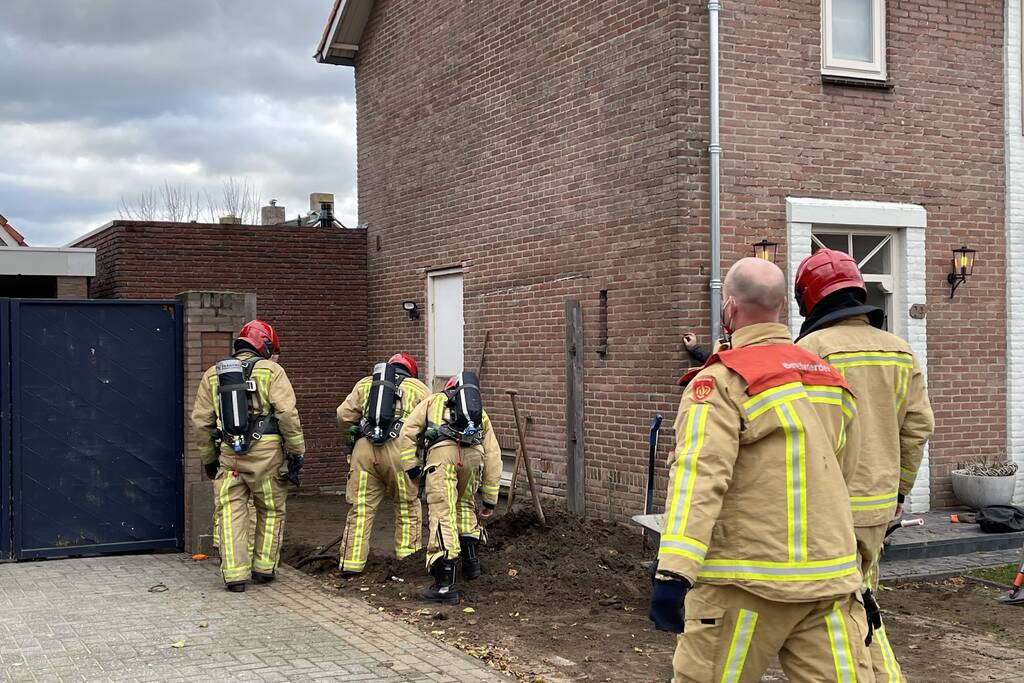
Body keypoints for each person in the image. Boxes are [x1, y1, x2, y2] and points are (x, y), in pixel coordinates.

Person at [649, 257, 872, 682]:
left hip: (745, 585)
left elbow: (698, 477)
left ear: (729, 309)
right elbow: (846, 474)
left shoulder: (720, 382)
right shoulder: (829, 378)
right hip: (830, 585)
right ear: (781, 308)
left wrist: (673, 572)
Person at [796, 248, 934, 681]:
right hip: (876, 508)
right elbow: (917, 429)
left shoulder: (809, 352)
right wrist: (899, 493)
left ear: (809, 300)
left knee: (839, 615)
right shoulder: (899, 351)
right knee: (863, 599)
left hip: (825, 510)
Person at [192, 320, 305, 592]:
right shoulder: (272, 371)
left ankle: (234, 576)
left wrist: (209, 459)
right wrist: (297, 449)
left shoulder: (212, 374)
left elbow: (200, 422)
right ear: (264, 346)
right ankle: (264, 569)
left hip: (230, 454)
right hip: (267, 453)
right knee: (270, 509)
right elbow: (287, 414)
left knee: (231, 512)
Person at [396, 372, 502, 604]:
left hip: (442, 458)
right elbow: (493, 455)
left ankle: (446, 583)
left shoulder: (432, 402)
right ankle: (471, 565)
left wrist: (412, 468)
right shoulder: (480, 415)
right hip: (474, 457)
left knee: (442, 513)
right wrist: (490, 499)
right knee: (465, 505)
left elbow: (407, 434)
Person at [335, 353, 430, 574]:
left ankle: (350, 565)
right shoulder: (418, 388)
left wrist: (352, 434)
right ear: (411, 372)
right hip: (400, 453)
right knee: (406, 507)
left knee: (360, 509)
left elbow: (343, 415)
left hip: (364, 451)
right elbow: (432, 419)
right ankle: (407, 561)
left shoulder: (366, 383)